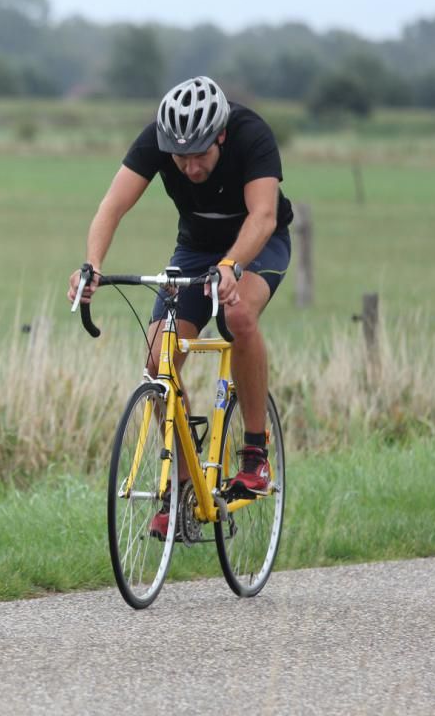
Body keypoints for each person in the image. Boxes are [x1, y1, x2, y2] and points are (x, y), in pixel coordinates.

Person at [68, 75, 292, 538]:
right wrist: (91, 265)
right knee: (158, 360)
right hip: (195, 249)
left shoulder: (251, 134)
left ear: (221, 136)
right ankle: (186, 488)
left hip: (256, 244)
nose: (189, 167)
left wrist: (231, 266)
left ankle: (255, 452)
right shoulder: (156, 139)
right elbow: (111, 206)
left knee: (238, 316)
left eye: (199, 156)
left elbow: (264, 216)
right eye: (179, 158)